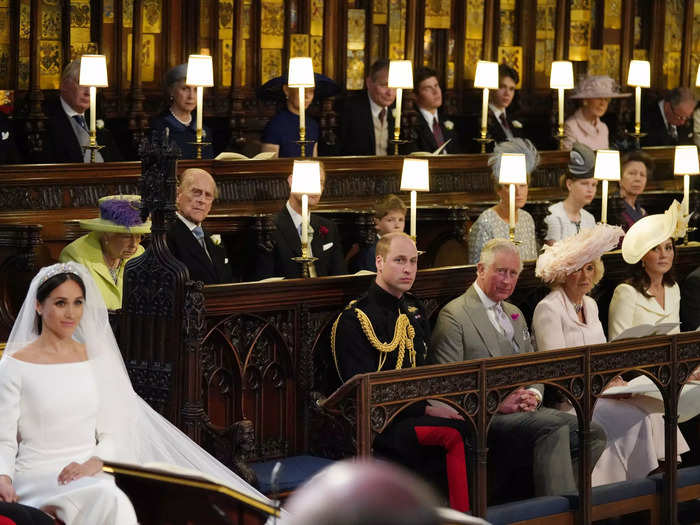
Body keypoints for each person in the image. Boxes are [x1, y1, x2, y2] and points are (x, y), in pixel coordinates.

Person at [0, 263, 277, 523]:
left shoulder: (97, 359)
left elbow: (116, 427)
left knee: (114, 497)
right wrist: (3, 476)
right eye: (60, 303)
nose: (71, 313)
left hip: (91, 468)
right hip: (38, 473)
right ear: (38, 305)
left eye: (78, 303)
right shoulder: (15, 365)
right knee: (108, 499)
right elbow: (4, 436)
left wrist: (96, 461)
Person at [431, 238, 606, 497]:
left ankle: (568, 508)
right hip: (487, 416)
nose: (507, 280)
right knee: (554, 427)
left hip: (525, 410)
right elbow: (446, 387)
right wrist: (497, 403)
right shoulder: (454, 315)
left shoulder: (514, 312)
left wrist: (534, 394)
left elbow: (534, 366)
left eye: (513, 273)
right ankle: (554, 513)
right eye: (500, 271)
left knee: (593, 432)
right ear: (480, 269)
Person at [332, 233, 471, 512]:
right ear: (379, 262)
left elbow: (425, 368)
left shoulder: (415, 309)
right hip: (380, 423)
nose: (408, 269)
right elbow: (362, 389)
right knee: (454, 434)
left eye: (413, 262)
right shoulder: (356, 318)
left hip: (414, 415)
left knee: (472, 421)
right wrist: (426, 408)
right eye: (399, 261)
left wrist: (439, 402)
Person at [255, 164, 346, 279]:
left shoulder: (329, 227)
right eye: (310, 181)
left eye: (320, 183)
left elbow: (340, 276)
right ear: (292, 181)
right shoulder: (269, 228)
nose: (316, 189)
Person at [611, 200, 687, 338]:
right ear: (642, 256)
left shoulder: (673, 288)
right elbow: (616, 348)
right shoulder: (626, 292)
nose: (663, 255)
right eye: (654, 249)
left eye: (668, 248)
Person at [59, 195, 149, 310]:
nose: (134, 245)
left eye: (139, 236)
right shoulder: (75, 256)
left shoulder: (139, 253)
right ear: (106, 235)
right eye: (126, 236)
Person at [467, 138, 539, 264]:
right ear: (499, 190)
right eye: (509, 186)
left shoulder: (527, 219)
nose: (518, 192)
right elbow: (477, 267)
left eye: (522, 185)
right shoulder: (486, 222)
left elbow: (532, 262)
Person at [44, 59, 122, 163]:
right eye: (82, 84)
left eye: (93, 86)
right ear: (64, 85)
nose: (89, 92)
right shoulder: (45, 118)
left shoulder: (98, 115)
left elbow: (117, 161)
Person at [166, 168, 233, 284]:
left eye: (208, 195)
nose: (202, 200)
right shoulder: (165, 235)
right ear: (177, 195)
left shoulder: (212, 239)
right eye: (196, 192)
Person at [149, 64, 214, 160]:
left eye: (196, 90)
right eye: (185, 89)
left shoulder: (204, 131)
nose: (191, 96)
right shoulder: (158, 127)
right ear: (171, 91)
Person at [338, 59, 396, 156]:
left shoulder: (403, 110)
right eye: (384, 85)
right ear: (369, 83)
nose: (390, 93)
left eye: (394, 86)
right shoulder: (349, 110)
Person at [544, 143, 598, 244]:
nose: (590, 189)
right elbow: (554, 256)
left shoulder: (589, 218)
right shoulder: (553, 214)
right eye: (584, 183)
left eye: (594, 185)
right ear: (569, 184)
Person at [563, 75, 630, 151]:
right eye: (598, 98)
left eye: (606, 99)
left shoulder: (603, 128)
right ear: (585, 100)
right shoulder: (571, 126)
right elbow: (569, 159)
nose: (603, 103)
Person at [260, 77, 319, 157]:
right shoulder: (275, 125)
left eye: (311, 91)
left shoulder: (312, 124)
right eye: (303, 90)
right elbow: (269, 165)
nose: (307, 96)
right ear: (286, 90)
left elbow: (314, 159)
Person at [408, 67, 459, 154]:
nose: (436, 92)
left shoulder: (447, 120)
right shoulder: (411, 123)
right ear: (415, 96)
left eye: (436, 86)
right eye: (428, 88)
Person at [353, 194, 406, 272]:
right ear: (377, 223)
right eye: (390, 220)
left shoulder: (405, 247)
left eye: (401, 220)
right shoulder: (371, 251)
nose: (397, 225)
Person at [485, 64, 523, 148]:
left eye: (511, 89)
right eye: (502, 87)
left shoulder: (513, 119)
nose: (507, 93)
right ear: (492, 88)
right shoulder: (482, 118)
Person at [616, 150, 653, 231]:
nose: (638, 179)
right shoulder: (613, 210)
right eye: (632, 173)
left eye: (642, 175)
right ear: (620, 178)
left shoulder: (643, 212)